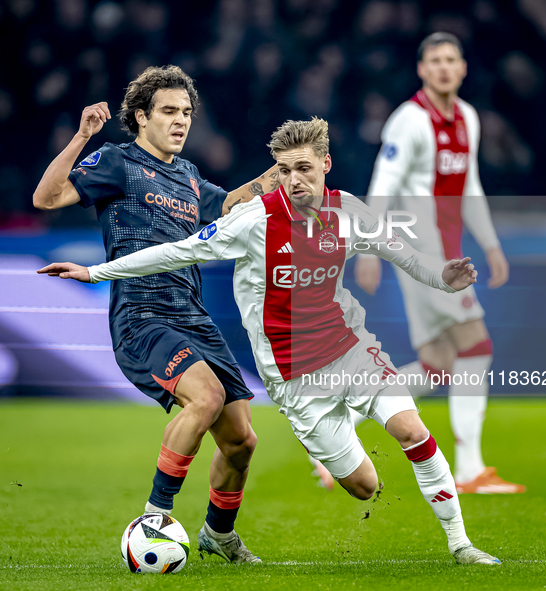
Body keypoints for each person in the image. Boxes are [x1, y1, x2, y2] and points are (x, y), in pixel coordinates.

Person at [39, 117, 501, 565]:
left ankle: (462, 545)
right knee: (365, 486)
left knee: (412, 431)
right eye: (284, 170)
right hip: (294, 377)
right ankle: (269, 488)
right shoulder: (254, 220)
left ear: (326, 164)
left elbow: (405, 255)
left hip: (350, 348)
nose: (294, 180)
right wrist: (96, 272)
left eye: (303, 168)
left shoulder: (348, 211)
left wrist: (443, 278)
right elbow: (178, 251)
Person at [33, 65, 281, 564]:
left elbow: (231, 204)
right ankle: (154, 517)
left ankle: (219, 534)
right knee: (206, 397)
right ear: (141, 117)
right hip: (142, 316)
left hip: (193, 315)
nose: (180, 121)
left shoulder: (188, 176)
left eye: (186, 112)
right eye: (169, 111)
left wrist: (283, 170)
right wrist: (81, 137)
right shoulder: (118, 162)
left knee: (242, 441)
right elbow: (46, 198)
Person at [354, 32, 525, 494]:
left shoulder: (468, 117)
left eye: (452, 59)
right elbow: (383, 182)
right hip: (424, 252)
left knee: (437, 365)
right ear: (422, 70)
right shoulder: (409, 120)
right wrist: (368, 250)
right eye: (436, 60)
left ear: (463, 68)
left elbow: (469, 186)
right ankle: (469, 470)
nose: (445, 67)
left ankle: (338, 421)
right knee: (476, 345)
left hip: (446, 250)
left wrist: (490, 244)